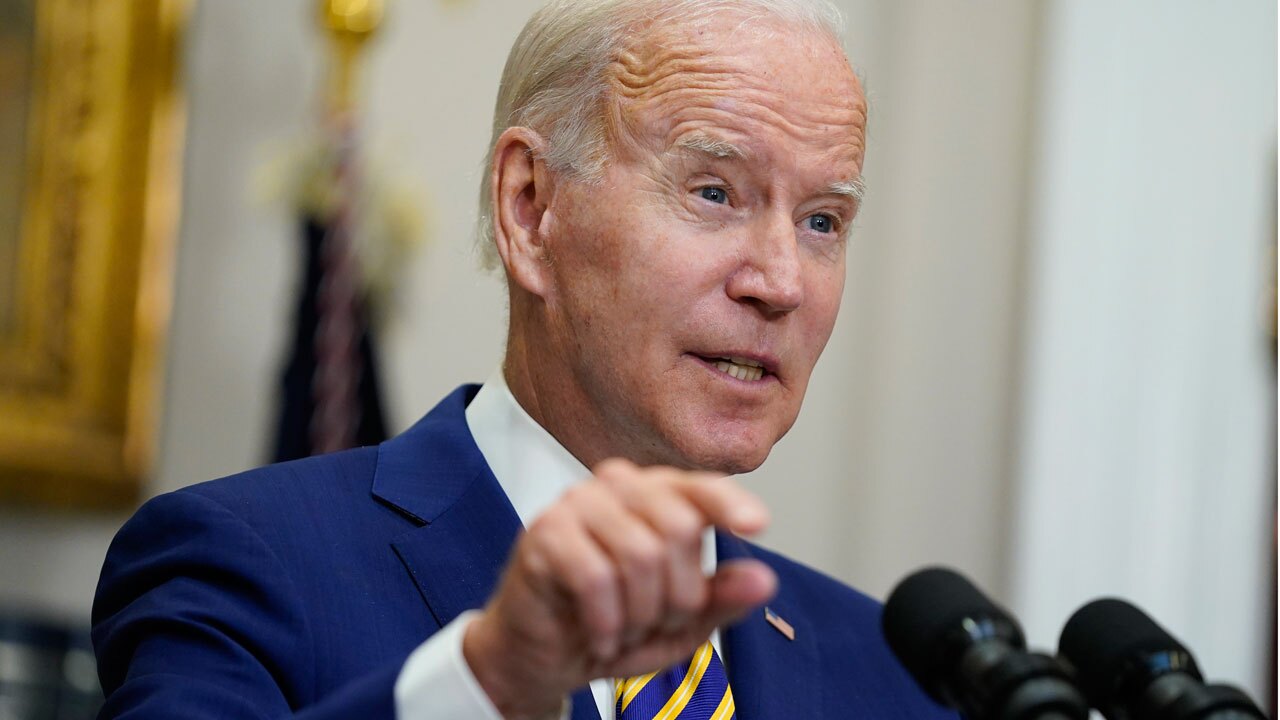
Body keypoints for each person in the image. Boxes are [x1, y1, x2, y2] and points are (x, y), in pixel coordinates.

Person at [92, 0, 959, 718]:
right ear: (530, 206)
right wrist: (489, 683)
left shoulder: (898, 678)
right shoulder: (243, 565)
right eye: (713, 192)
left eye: (822, 222)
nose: (781, 283)